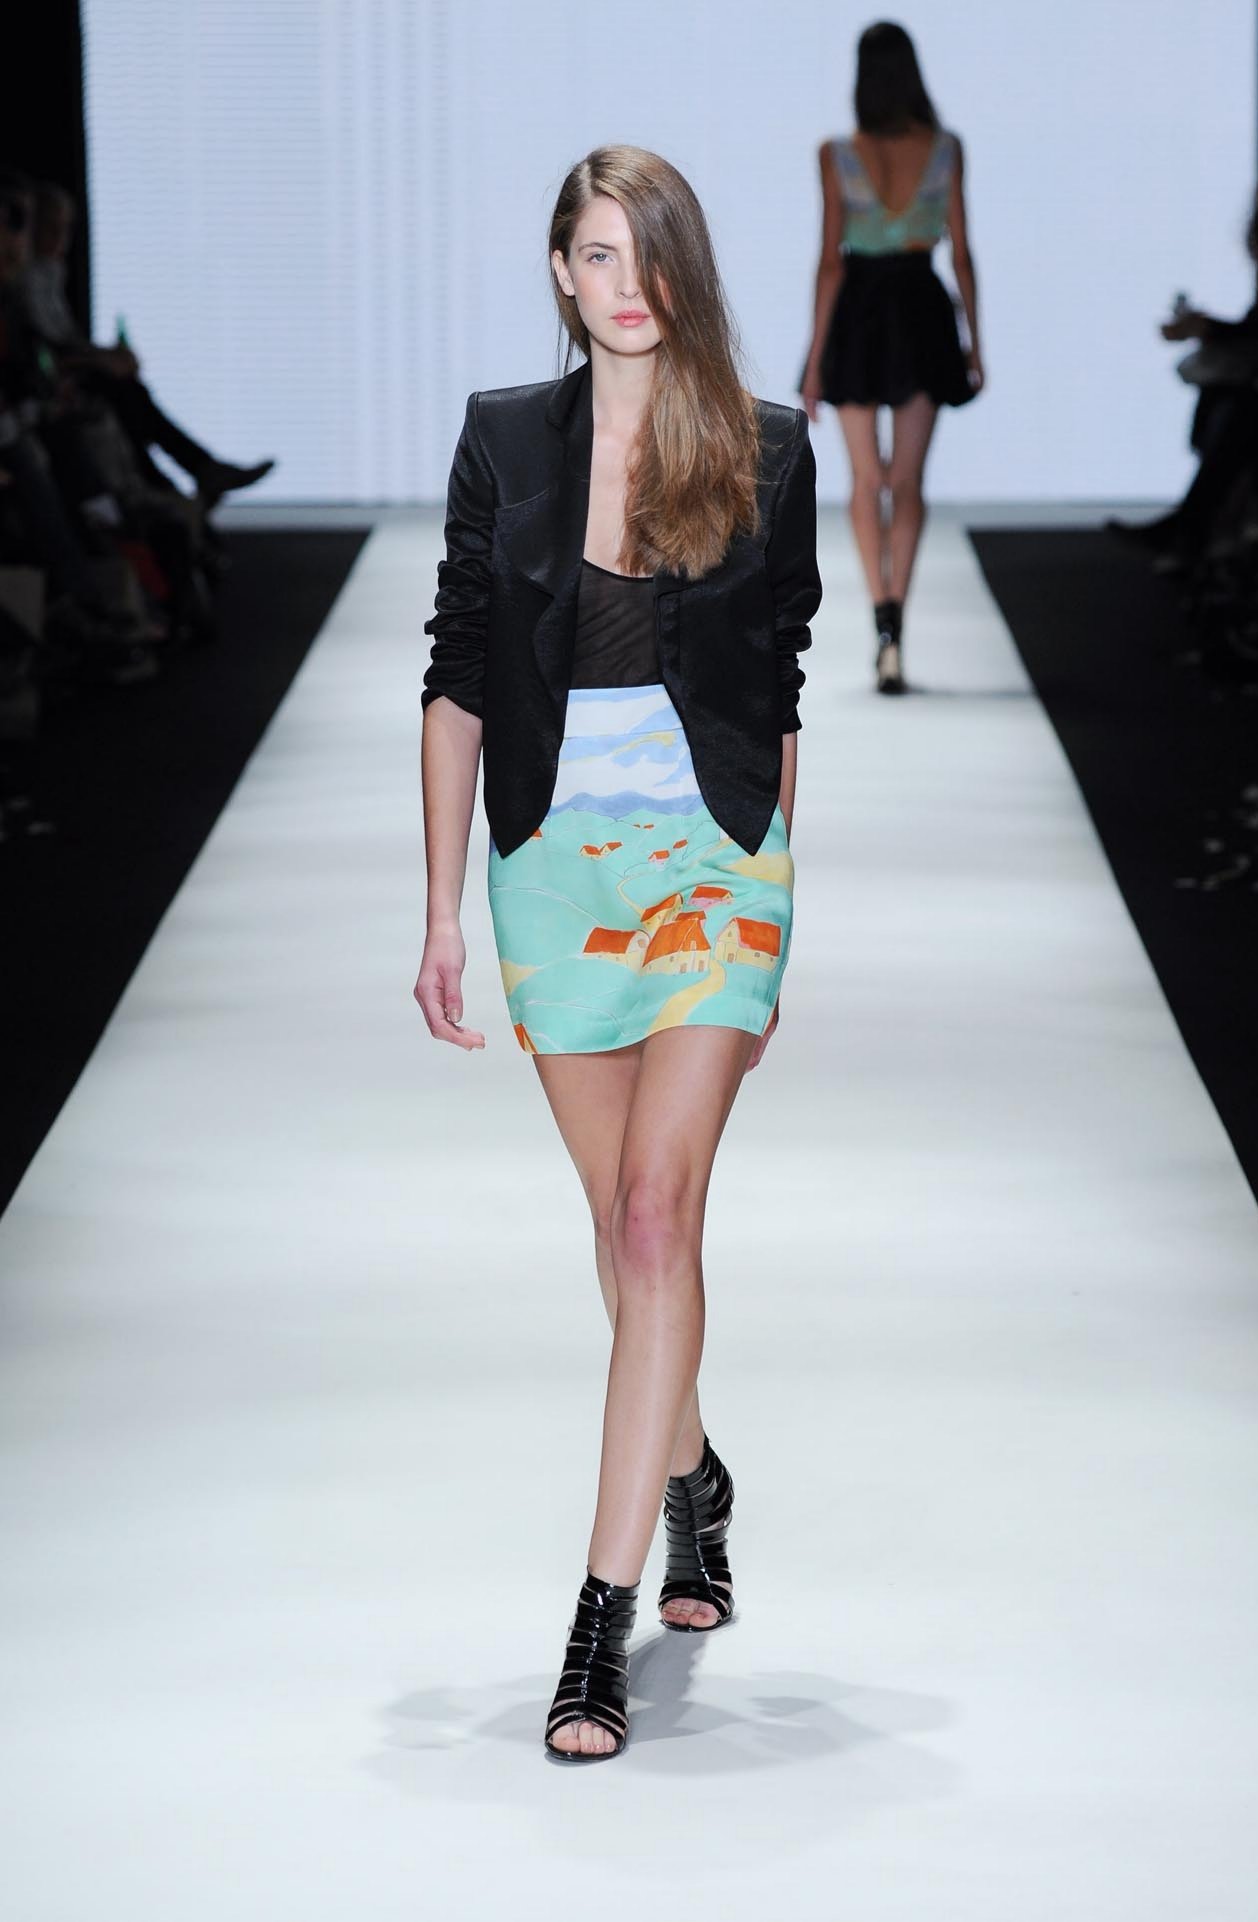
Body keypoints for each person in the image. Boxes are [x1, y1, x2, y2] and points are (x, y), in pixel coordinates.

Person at [414, 145, 821, 1763]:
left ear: (681, 270)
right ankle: (693, 1474)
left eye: (646, 253)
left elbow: (778, 687)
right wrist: (438, 907)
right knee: (623, 1231)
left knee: (658, 1215)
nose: (623, 282)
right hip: (553, 865)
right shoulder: (505, 440)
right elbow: (458, 674)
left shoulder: (766, 448)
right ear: (560, 271)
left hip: (711, 866)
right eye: (595, 253)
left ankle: (597, 1623)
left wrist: (778, 907)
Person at [800, 19, 982, 692]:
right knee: (906, 481)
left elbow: (829, 262)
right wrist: (975, 343)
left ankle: (880, 616)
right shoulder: (945, 150)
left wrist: (814, 360)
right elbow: (961, 254)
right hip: (922, 313)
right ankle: (894, 625)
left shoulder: (836, 154)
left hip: (857, 314)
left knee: (865, 480)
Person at [20, 180, 276, 511]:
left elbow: (66, 340)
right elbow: (46, 349)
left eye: (65, 228)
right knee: (125, 396)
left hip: (80, 384)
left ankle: (188, 479)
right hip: (56, 397)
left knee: (130, 397)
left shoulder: (50, 274)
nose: (60, 238)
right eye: (50, 228)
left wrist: (109, 356)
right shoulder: (23, 280)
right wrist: (102, 361)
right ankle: (188, 478)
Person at [1107, 154, 1258, 566]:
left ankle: (1194, 530)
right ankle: (1195, 530)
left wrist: (1208, 328)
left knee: (1241, 411)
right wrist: (1206, 328)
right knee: (1228, 401)